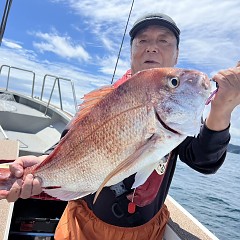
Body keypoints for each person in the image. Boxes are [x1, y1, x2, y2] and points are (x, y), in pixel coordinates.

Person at [2, 13, 240, 240]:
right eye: (142, 40)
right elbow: (70, 141)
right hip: (83, 228)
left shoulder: (178, 116)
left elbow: (204, 161)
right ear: (132, 52)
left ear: (177, 55)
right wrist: (43, 166)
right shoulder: (106, 103)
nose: (151, 47)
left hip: (148, 231)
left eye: (163, 40)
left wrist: (222, 109)